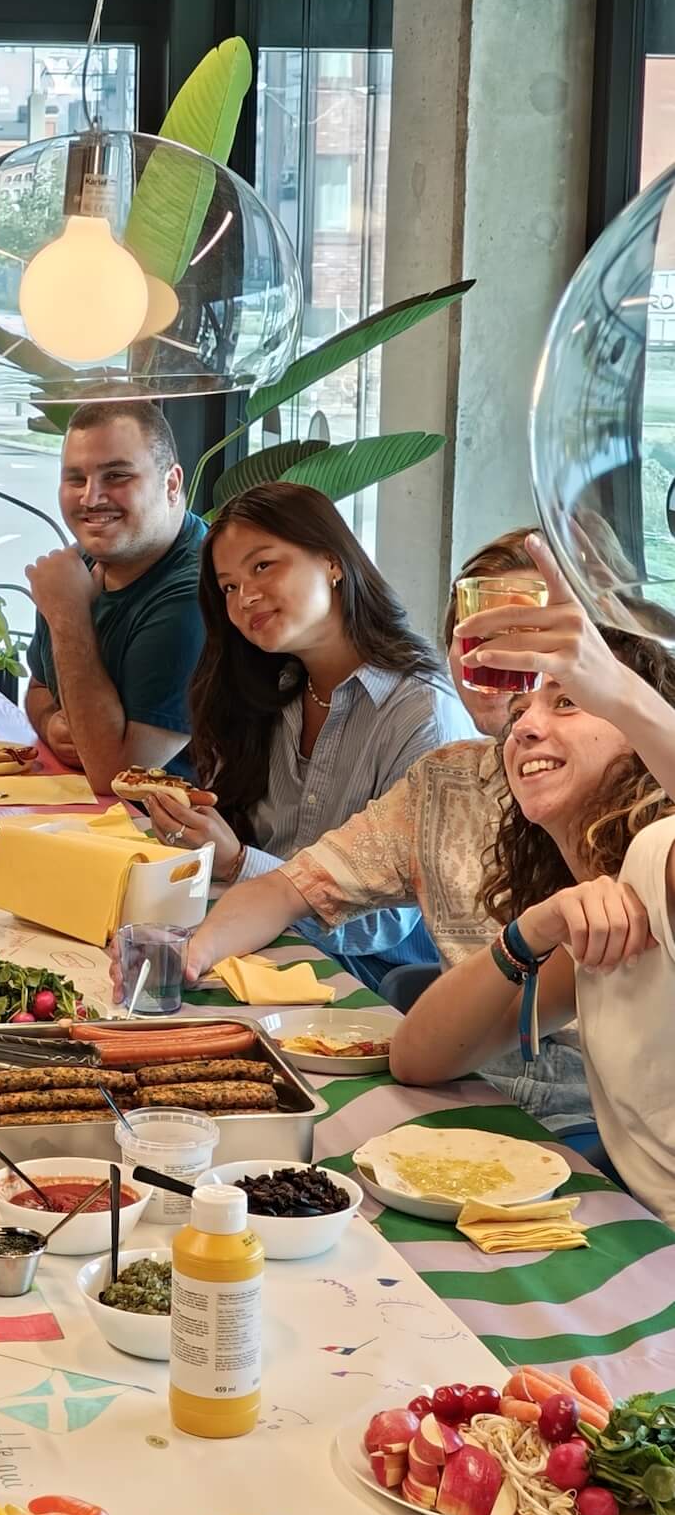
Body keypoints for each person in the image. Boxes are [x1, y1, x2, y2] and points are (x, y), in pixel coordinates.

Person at [181, 532, 594, 1126]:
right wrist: (193, 953)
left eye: (529, 638)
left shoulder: (638, 800)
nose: (493, 658)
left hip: (591, 1124)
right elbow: (286, 888)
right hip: (458, 1085)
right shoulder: (447, 782)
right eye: (475, 632)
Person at [387, 603, 675, 1221]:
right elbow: (418, 1058)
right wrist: (531, 930)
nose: (523, 728)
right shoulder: (606, 908)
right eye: (519, 712)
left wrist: (626, 695)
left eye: (567, 701)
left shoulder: (659, 855)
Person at [143, 482, 474, 994]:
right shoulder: (270, 691)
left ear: (332, 561)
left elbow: (389, 924)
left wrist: (236, 862)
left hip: (371, 987)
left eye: (262, 566)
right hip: (261, 947)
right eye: (228, 586)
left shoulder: (422, 714)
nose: (245, 597)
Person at [23, 401, 205, 795]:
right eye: (75, 479)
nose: (91, 499)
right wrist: (54, 722)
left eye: (116, 475)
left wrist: (68, 614)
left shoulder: (196, 593)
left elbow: (116, 775)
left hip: (177, 841)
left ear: (171, 484)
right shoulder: (84, 564)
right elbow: (38, 690)